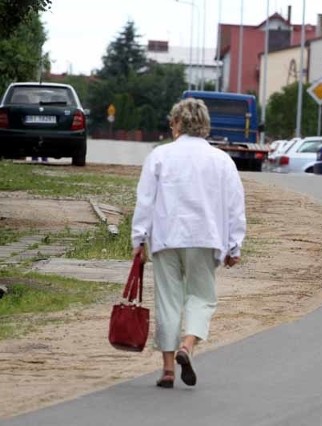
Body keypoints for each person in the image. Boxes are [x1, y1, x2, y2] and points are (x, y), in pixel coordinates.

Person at [131, 97, 246, 388]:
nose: (171, 126)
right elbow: (235, 206)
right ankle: (188, 344)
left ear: (179, 123)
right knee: (201, 296)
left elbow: (145, 201)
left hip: (166, 238)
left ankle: (168, 369)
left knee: (168, 301)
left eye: (173, 121)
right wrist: (235, 245)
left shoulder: (159, 156)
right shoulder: (222, 160)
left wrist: (139, 238)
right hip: (205, 237)